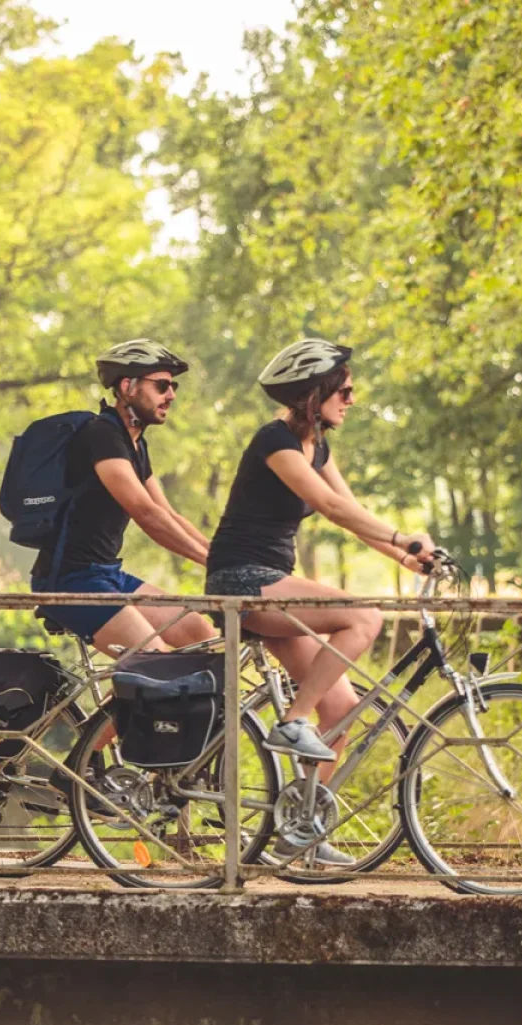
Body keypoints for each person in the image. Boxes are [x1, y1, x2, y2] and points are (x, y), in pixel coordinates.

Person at [204, 338, 435, 857]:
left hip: (272, 586)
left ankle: (298, 830)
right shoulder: (275, 442)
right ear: (315, 393)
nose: (351, 400)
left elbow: (351, 510)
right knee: (362, 618)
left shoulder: (318, 446)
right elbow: (328, 506)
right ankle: (290, 722)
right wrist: (401, 540)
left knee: (342, 714)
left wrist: (408, 554)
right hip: (242, 580)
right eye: (344, 390)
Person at [32, 340, 216, 656]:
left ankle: (123, 705)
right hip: (69, 581)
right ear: (128, 387)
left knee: (199, 633)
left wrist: (224, 557)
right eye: (161, 385)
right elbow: (145, 513)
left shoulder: (135, 445)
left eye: (173, 386)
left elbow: (167, 514)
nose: (171, 395)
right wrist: (213, 564)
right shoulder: (101, 435)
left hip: (107, 575)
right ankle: (138, 698)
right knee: (153, 659)